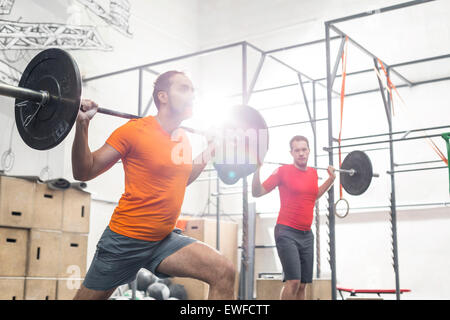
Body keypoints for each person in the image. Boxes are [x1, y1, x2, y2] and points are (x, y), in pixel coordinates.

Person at [72, 71, 235, 300]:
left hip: (163, 240)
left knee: (224, 271)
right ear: (163, 97)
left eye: (193, 90)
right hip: (124, 242)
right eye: (184, 88)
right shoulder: (134, 130)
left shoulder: (181, 138)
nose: (192, 95)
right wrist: (83, 125)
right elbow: (84, 171)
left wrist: (209, 151)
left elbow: (182, 179)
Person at [252, 135, 335, 300]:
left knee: (303, 284)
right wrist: (257, 170)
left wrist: (330, 180)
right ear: (291, 153)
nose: (301, 153)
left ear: (309, 151)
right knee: (294, 281)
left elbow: (313, 195)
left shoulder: (312, 173)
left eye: (304, 149)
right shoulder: (283, 171)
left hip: (306, 235)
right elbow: (257, 192)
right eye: (297, 150)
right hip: (286, 232)